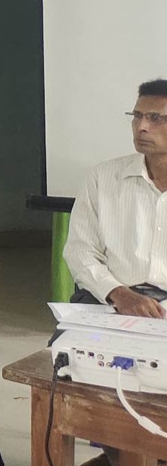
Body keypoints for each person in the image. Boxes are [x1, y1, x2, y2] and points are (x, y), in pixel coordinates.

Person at [65, 79, 167, 319]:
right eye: (137, 116)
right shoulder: (103, 177)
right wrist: (119, 294)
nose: (141, 126)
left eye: (155, 118)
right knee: (67, 343)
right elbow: (80, 251)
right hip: (111, 300)